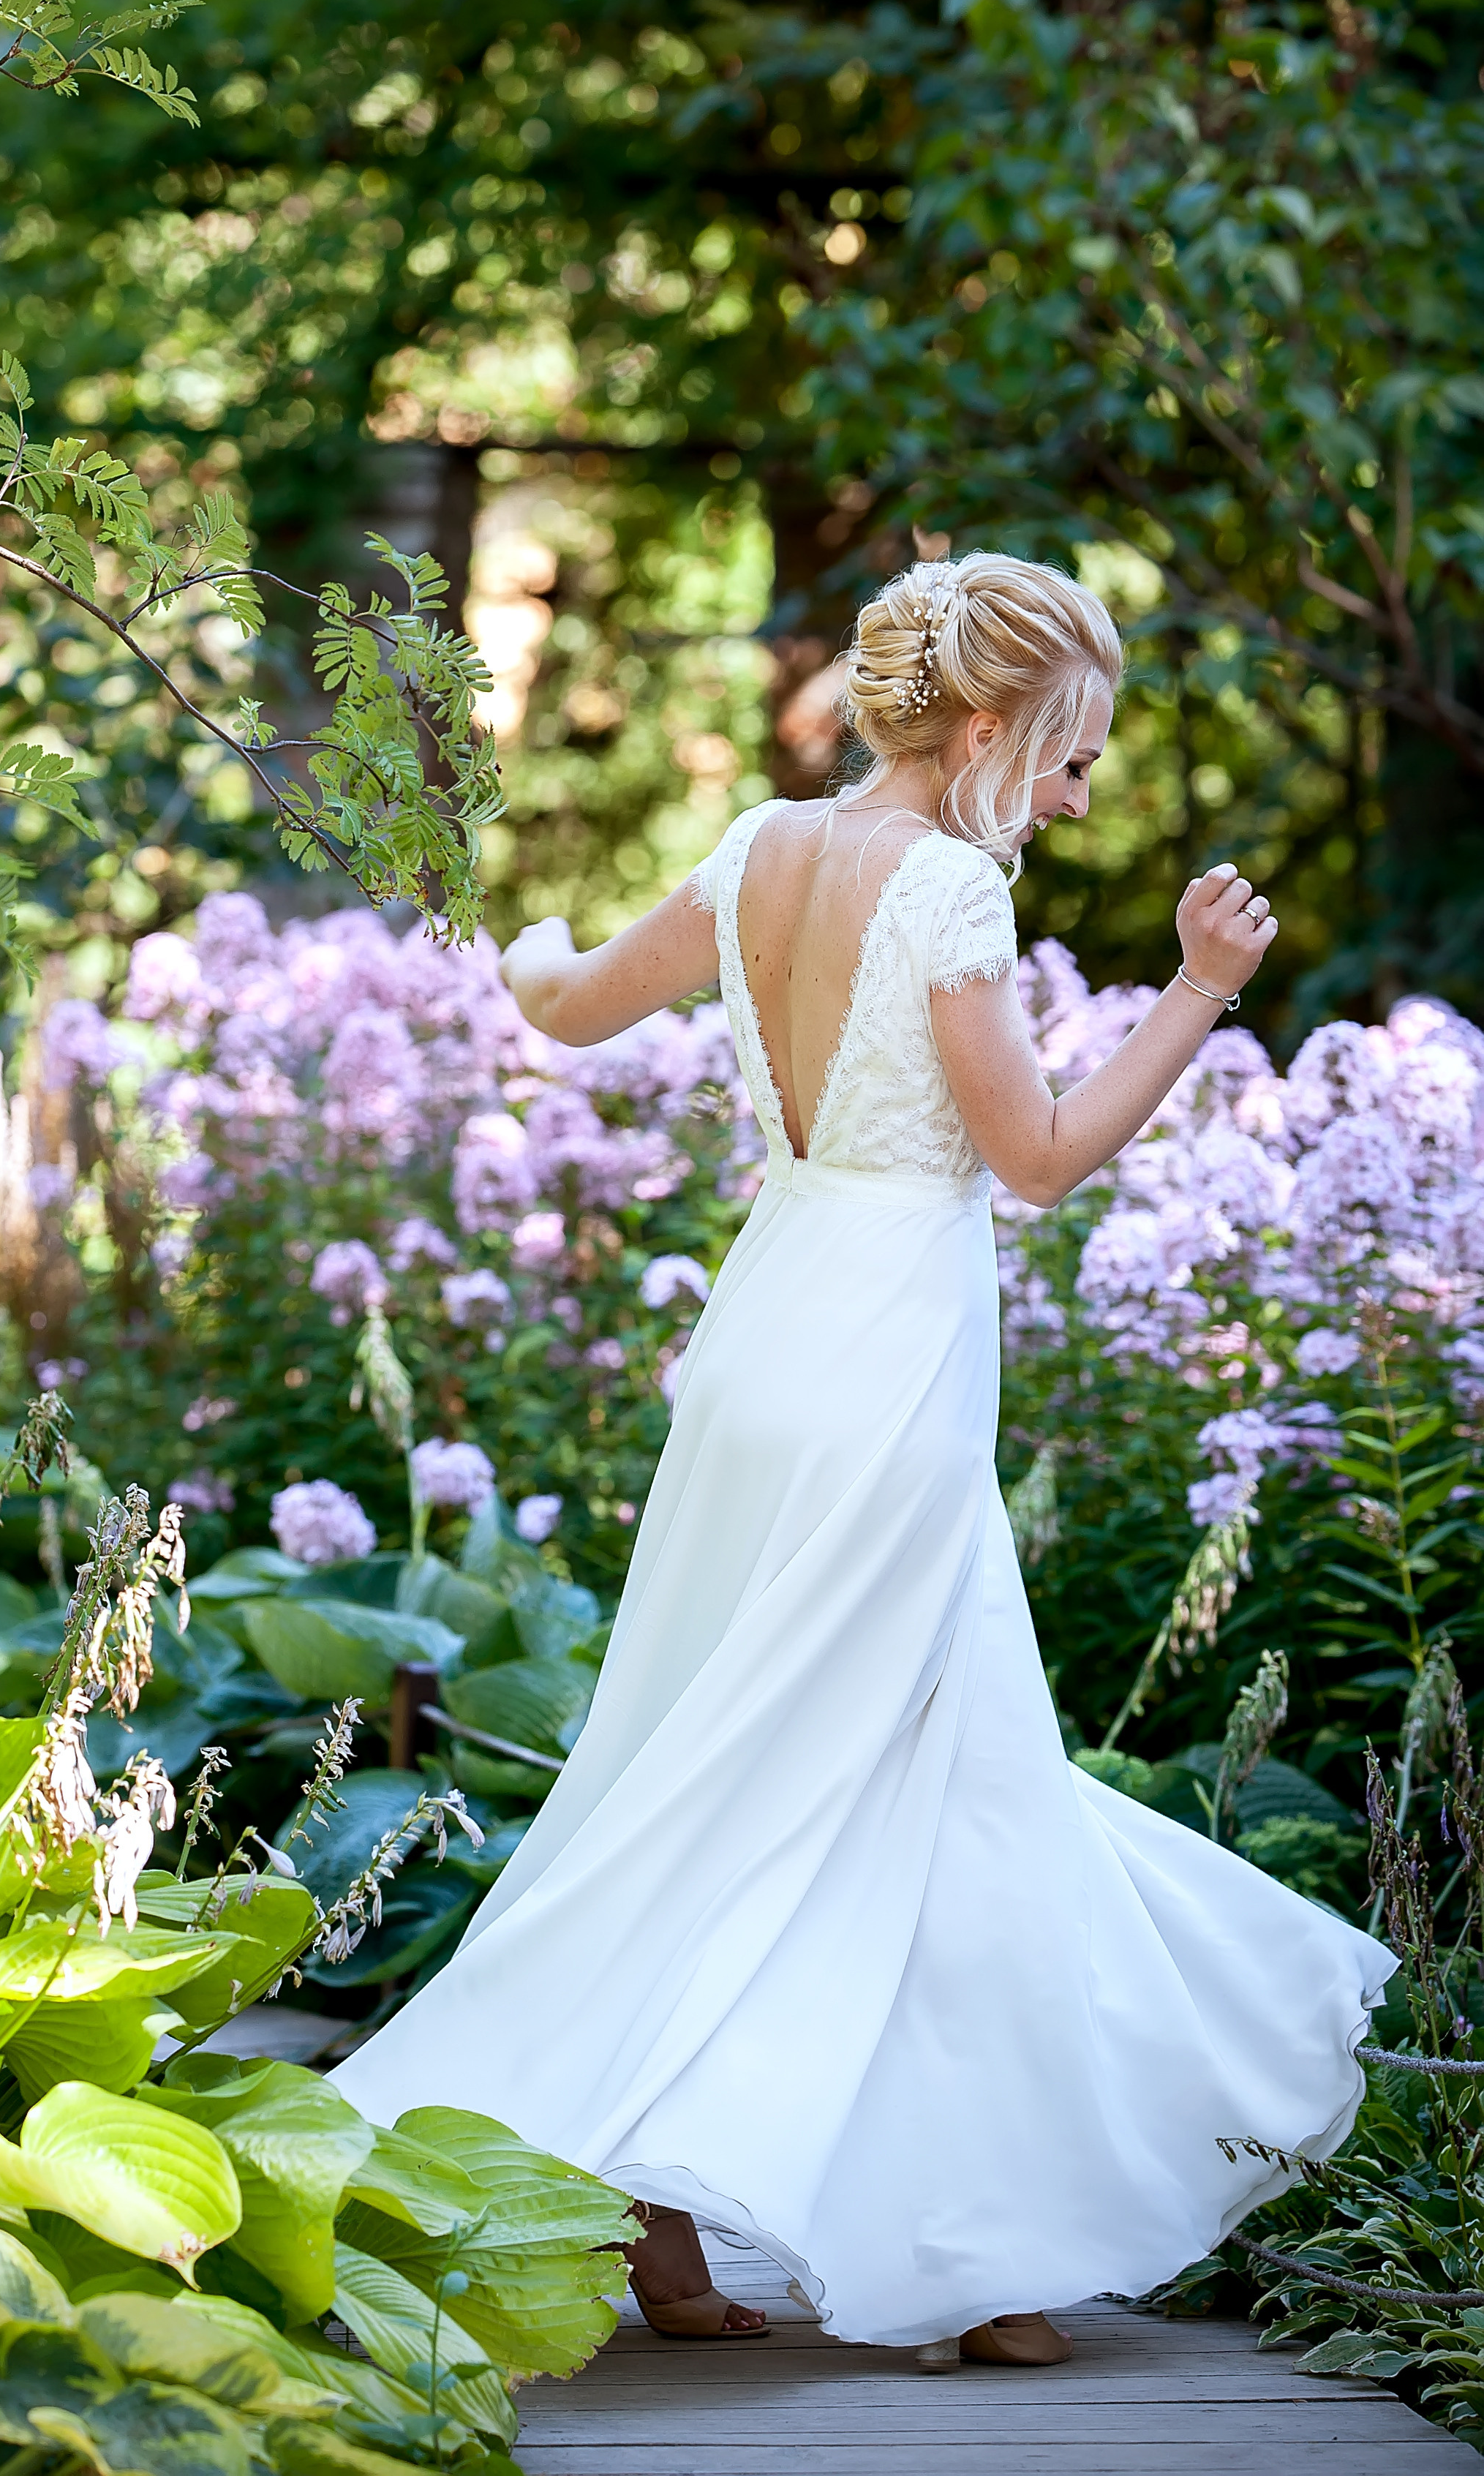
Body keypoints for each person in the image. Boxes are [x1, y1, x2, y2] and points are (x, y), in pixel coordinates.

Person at [331, 552, 1393, 2369]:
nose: (1074, 796)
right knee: (933, 1775)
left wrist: (497, 936)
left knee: (723, 1756)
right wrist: (1200, 987)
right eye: (1064, 759)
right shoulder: (954, 896)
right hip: (891, 1338)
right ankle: (974, 2262)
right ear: (984, 727)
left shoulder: (756, 848)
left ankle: (673, 2230)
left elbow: (569, 1006)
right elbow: (1038, 1158)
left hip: (763, 1335)